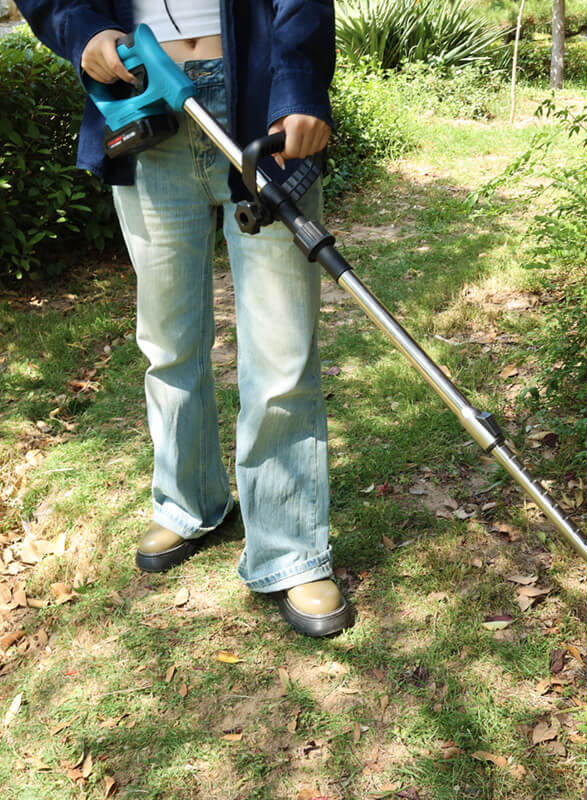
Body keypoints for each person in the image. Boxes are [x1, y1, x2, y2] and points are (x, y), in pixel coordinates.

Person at [16, 0, 354, 638]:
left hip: (259, 103)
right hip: (143, 98)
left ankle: (289, 549)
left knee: (281, 350)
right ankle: (188, 500)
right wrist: (82, 31)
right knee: (168, 339)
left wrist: (299, 84)